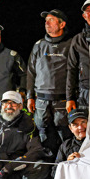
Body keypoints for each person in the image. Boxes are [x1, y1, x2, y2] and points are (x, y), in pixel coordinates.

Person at [26, 9, 73, 154]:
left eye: (51, 20)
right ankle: (46, 170)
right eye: (46, 20)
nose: (47, 23)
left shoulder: (71, 44)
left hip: (62, 101)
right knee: (43, 136)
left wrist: (71, 98)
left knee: (65, 135)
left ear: (62, 24)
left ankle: (66, 165)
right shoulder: (38, 45)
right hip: (41, 102)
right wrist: (29, 97)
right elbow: (30, 72)